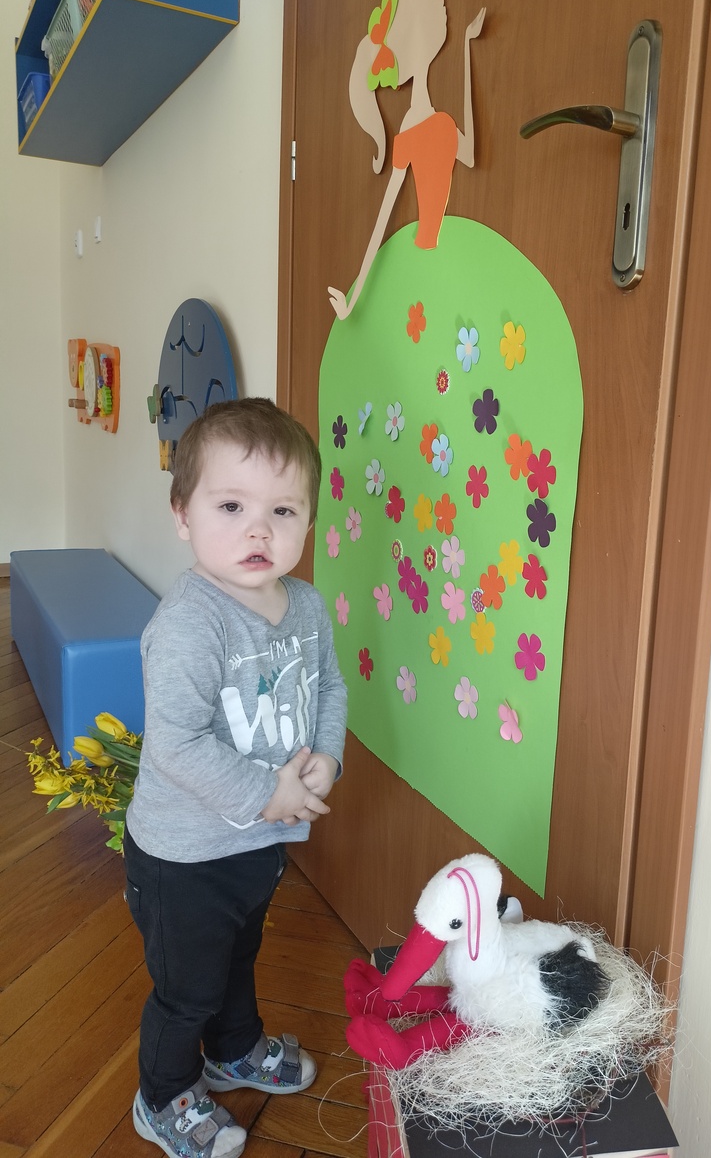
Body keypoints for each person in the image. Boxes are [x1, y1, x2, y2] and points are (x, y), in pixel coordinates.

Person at [124, 397, 347, 1158]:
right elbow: (175, 745)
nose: (259, 530)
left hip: (256, 841)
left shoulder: (306, 607)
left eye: (282, 510)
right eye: (231, 506)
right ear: (182, 514)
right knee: (186, 990)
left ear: (308, 520)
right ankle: (162, 1097)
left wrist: (326, 757)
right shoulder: (191, 623)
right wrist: (268, 793)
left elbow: (330, 688)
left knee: (238, 956)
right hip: (183, 856)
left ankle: (234, 1050)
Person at [327, 0, 486, 319]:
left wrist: (466, 43)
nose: (442, 4)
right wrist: (351, 303)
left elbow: (470, 155)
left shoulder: (441, 122)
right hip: (428, 257)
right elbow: (381, 221)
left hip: (449, 254)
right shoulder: (411, 134)